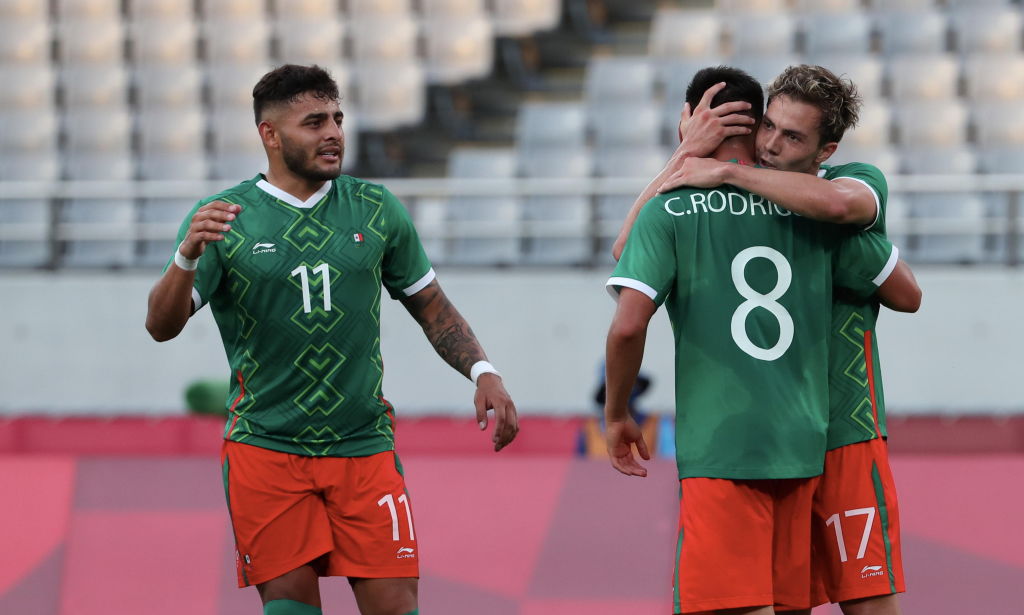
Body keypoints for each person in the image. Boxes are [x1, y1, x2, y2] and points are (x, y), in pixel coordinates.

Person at [145, 64, 519, 615]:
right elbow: (161, 325)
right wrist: (185, 258)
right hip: (267, 449)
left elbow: (432, 306)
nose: (333, 133)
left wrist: (484, 371)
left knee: (397, 606)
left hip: (363, 446)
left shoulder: (375, 209)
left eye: (338, 118)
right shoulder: (224, 219)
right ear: (269, 135)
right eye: (314, 121)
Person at [603, 66, 905, 615]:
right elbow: (903, 291)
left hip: (771, 437)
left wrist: (708, 166)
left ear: (825, 149)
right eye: (769, 127)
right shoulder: (810, 212)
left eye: (792, 136)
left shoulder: (838, 192)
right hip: (804, 437)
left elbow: (627, 282)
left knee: (859, 602)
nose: (772, 144)